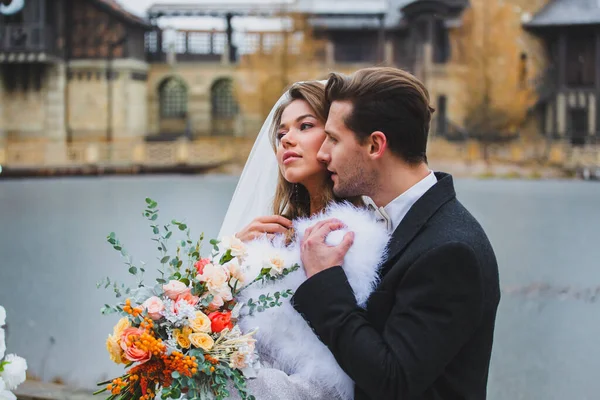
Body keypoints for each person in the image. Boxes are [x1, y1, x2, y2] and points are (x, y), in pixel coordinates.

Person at [291, 67, 501, 399]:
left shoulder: (450, 251)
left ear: (375, 145)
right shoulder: (391, 222)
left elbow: (394, 379)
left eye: (333, 138)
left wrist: (323, 279)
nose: (322, 153)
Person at [220, 81, 390, 400]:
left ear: (337, 136)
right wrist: (228, 263)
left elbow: (332, 374)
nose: (287, 140)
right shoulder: (274, 230)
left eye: (305, 126)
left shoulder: (349, 235)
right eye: (281, 133)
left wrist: (222, 376)